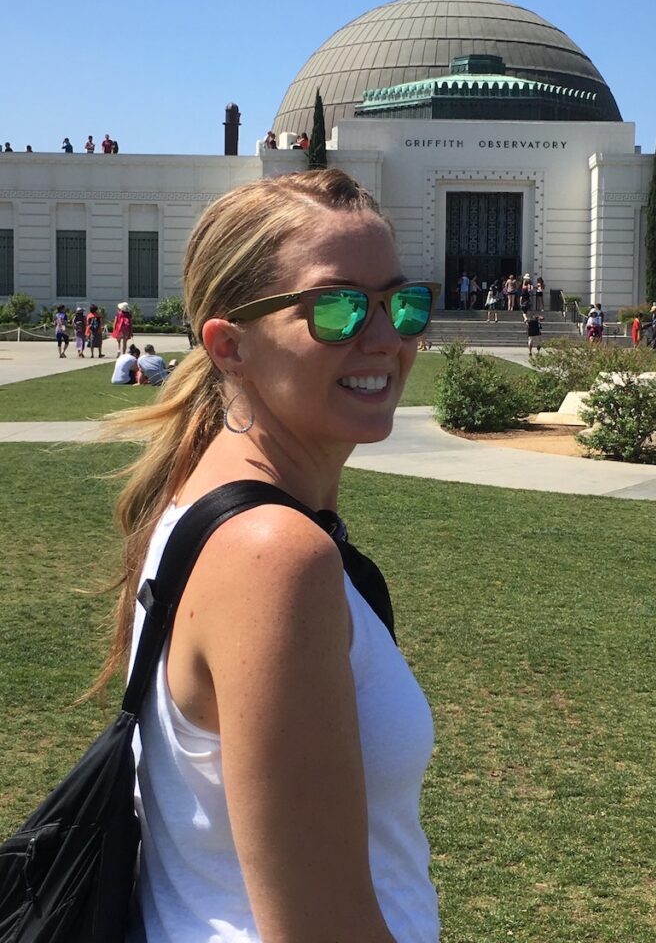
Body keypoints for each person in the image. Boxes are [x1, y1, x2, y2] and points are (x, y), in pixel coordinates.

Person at [92, 170, 439, 942]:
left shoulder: (209, 494)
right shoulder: (273, 554)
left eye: (401, 301)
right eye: (338, 306)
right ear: (231, 345)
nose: (385, 337)